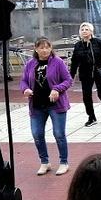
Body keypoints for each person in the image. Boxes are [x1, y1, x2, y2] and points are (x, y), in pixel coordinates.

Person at [20, 37, 73, 176]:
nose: (44, 50)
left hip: (56, 105)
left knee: (59, 134)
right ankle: (44, 162)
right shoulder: (31, 64)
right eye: (41, 48)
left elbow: (68, 80)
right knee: (37, 134)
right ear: (35, 49)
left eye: (47, 47)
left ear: (51, 48)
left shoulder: (58, 62)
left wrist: (57, 89)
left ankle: (63, 162)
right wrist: (25, 89)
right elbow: (24, 81)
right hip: (36, 105)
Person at [69, 22, 101, 126]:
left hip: (98, 71)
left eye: (86, 29)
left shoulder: (98, 42)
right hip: (85, 74)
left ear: (91, 31)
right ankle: (91, 117)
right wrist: (70, 77)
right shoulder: (78, 45)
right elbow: (74, 62)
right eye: (82, 30)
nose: (84, 31)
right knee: (86, 96)